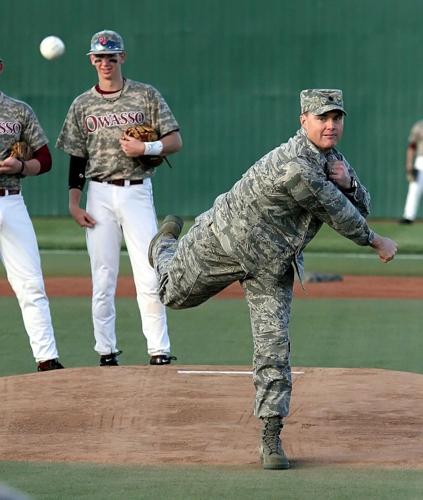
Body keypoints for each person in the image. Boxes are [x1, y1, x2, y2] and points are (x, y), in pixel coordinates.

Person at [148, 89, 398, 470]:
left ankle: (271, 435)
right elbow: (339, 214)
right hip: (224, 242)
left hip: (273, 264)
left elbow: (361, 203)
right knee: (172, 294)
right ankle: (164, 243)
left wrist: (348, 182)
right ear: (304, 121)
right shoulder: (297, 165)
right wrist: (377, 241)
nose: (331, 125)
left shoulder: (332, 160)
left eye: (337, 118)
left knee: (273, 347)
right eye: (322, 118)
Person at [56, 30, 182, 367]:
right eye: (100, 57)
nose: (106, 62)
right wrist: (73, 203)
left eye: (112, 56)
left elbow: (174, 140)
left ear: (122, 57)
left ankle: (159, 350)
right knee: (103, 276)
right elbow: (76, 158)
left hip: (137, 190)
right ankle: (106, 350)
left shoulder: (145, 95)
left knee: (149, 273)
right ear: (91, 61)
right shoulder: (83, 104)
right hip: (98, 193)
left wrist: (147, 148)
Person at [0, 58, 63, 372]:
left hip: (11, 201)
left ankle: (47, 359)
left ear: (0, 67)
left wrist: (21, 167)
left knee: (31, 282)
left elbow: (45, 159)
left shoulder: (18, 110)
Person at [399, 119, 423, 224]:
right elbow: (412, 146)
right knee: (414, 188)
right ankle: (408, 216)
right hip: (421, 160)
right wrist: (409, 163)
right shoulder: (419, 126)